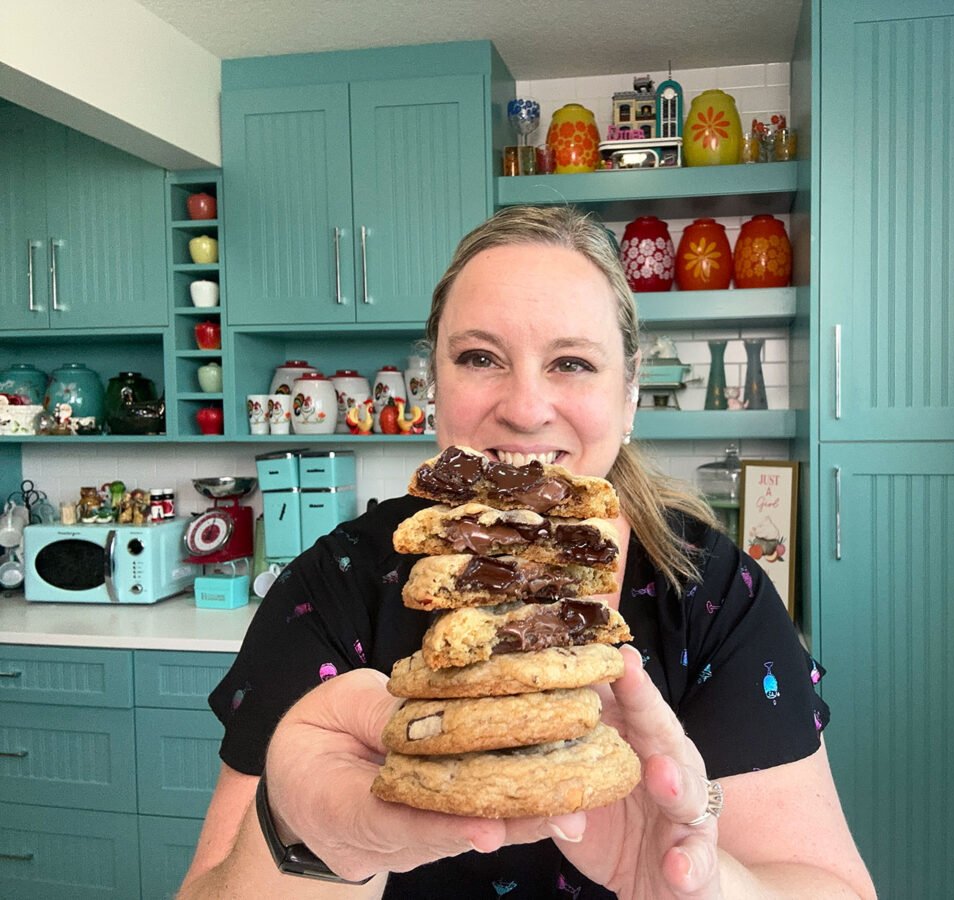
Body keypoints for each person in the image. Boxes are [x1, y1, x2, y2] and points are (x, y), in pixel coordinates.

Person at [177, 205, 876, 899]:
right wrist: (308, 839)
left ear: (629, 392)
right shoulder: (337, 585)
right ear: (433, 386)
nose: (526, 406)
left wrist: (704, 886)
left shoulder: (710, 592)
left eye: (572, 362)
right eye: (481, 358)